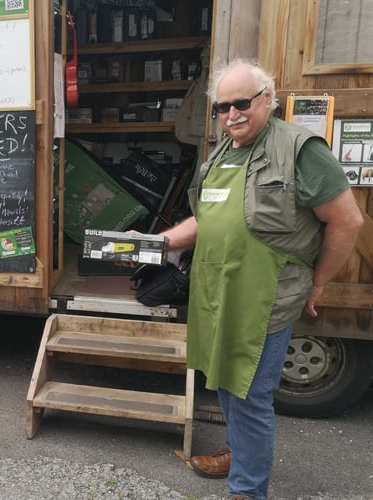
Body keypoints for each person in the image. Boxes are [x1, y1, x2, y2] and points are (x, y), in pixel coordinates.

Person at [160, 59, 363, 500]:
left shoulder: (300, 149)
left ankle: (248, 491)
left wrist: (319, 282)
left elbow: (347, 221)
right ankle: (240, 453)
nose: (231, 114)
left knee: (250, 393)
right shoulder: (219, 156)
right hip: (219, 290)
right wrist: (160, 242)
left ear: (267, 100)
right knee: (225, 380)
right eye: (222, 106)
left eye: (241, 103)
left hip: (268, 294)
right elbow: (205, 219)